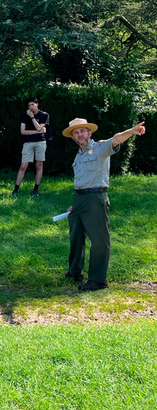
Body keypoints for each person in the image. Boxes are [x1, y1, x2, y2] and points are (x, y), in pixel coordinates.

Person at [62, 118, 146, 291]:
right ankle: (74, 272)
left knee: (99, 239)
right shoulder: (79, 154)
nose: (80, 134)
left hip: (95, 198)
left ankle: (98, 280)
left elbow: (115, 139)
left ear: (89, 133)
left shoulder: (99, 148)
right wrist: (74, 204)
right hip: (79, 198)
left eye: (83, 131)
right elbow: (81, 179)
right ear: (73, 137)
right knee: (76, 236)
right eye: (76, 132)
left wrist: (131, 131)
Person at [13, 97, 51, 198]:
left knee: (39, 165)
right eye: (29, 105)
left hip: (40, 142)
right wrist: (37, 131)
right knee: (23, 166)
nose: (31, 107)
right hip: (28, 142)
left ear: (37, 104)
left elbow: (39, 127)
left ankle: (35, 189)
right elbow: (23, 131)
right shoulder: (24, 115)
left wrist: (33, 118)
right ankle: (16, 189)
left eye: (32, 105)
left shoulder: (44, 115)